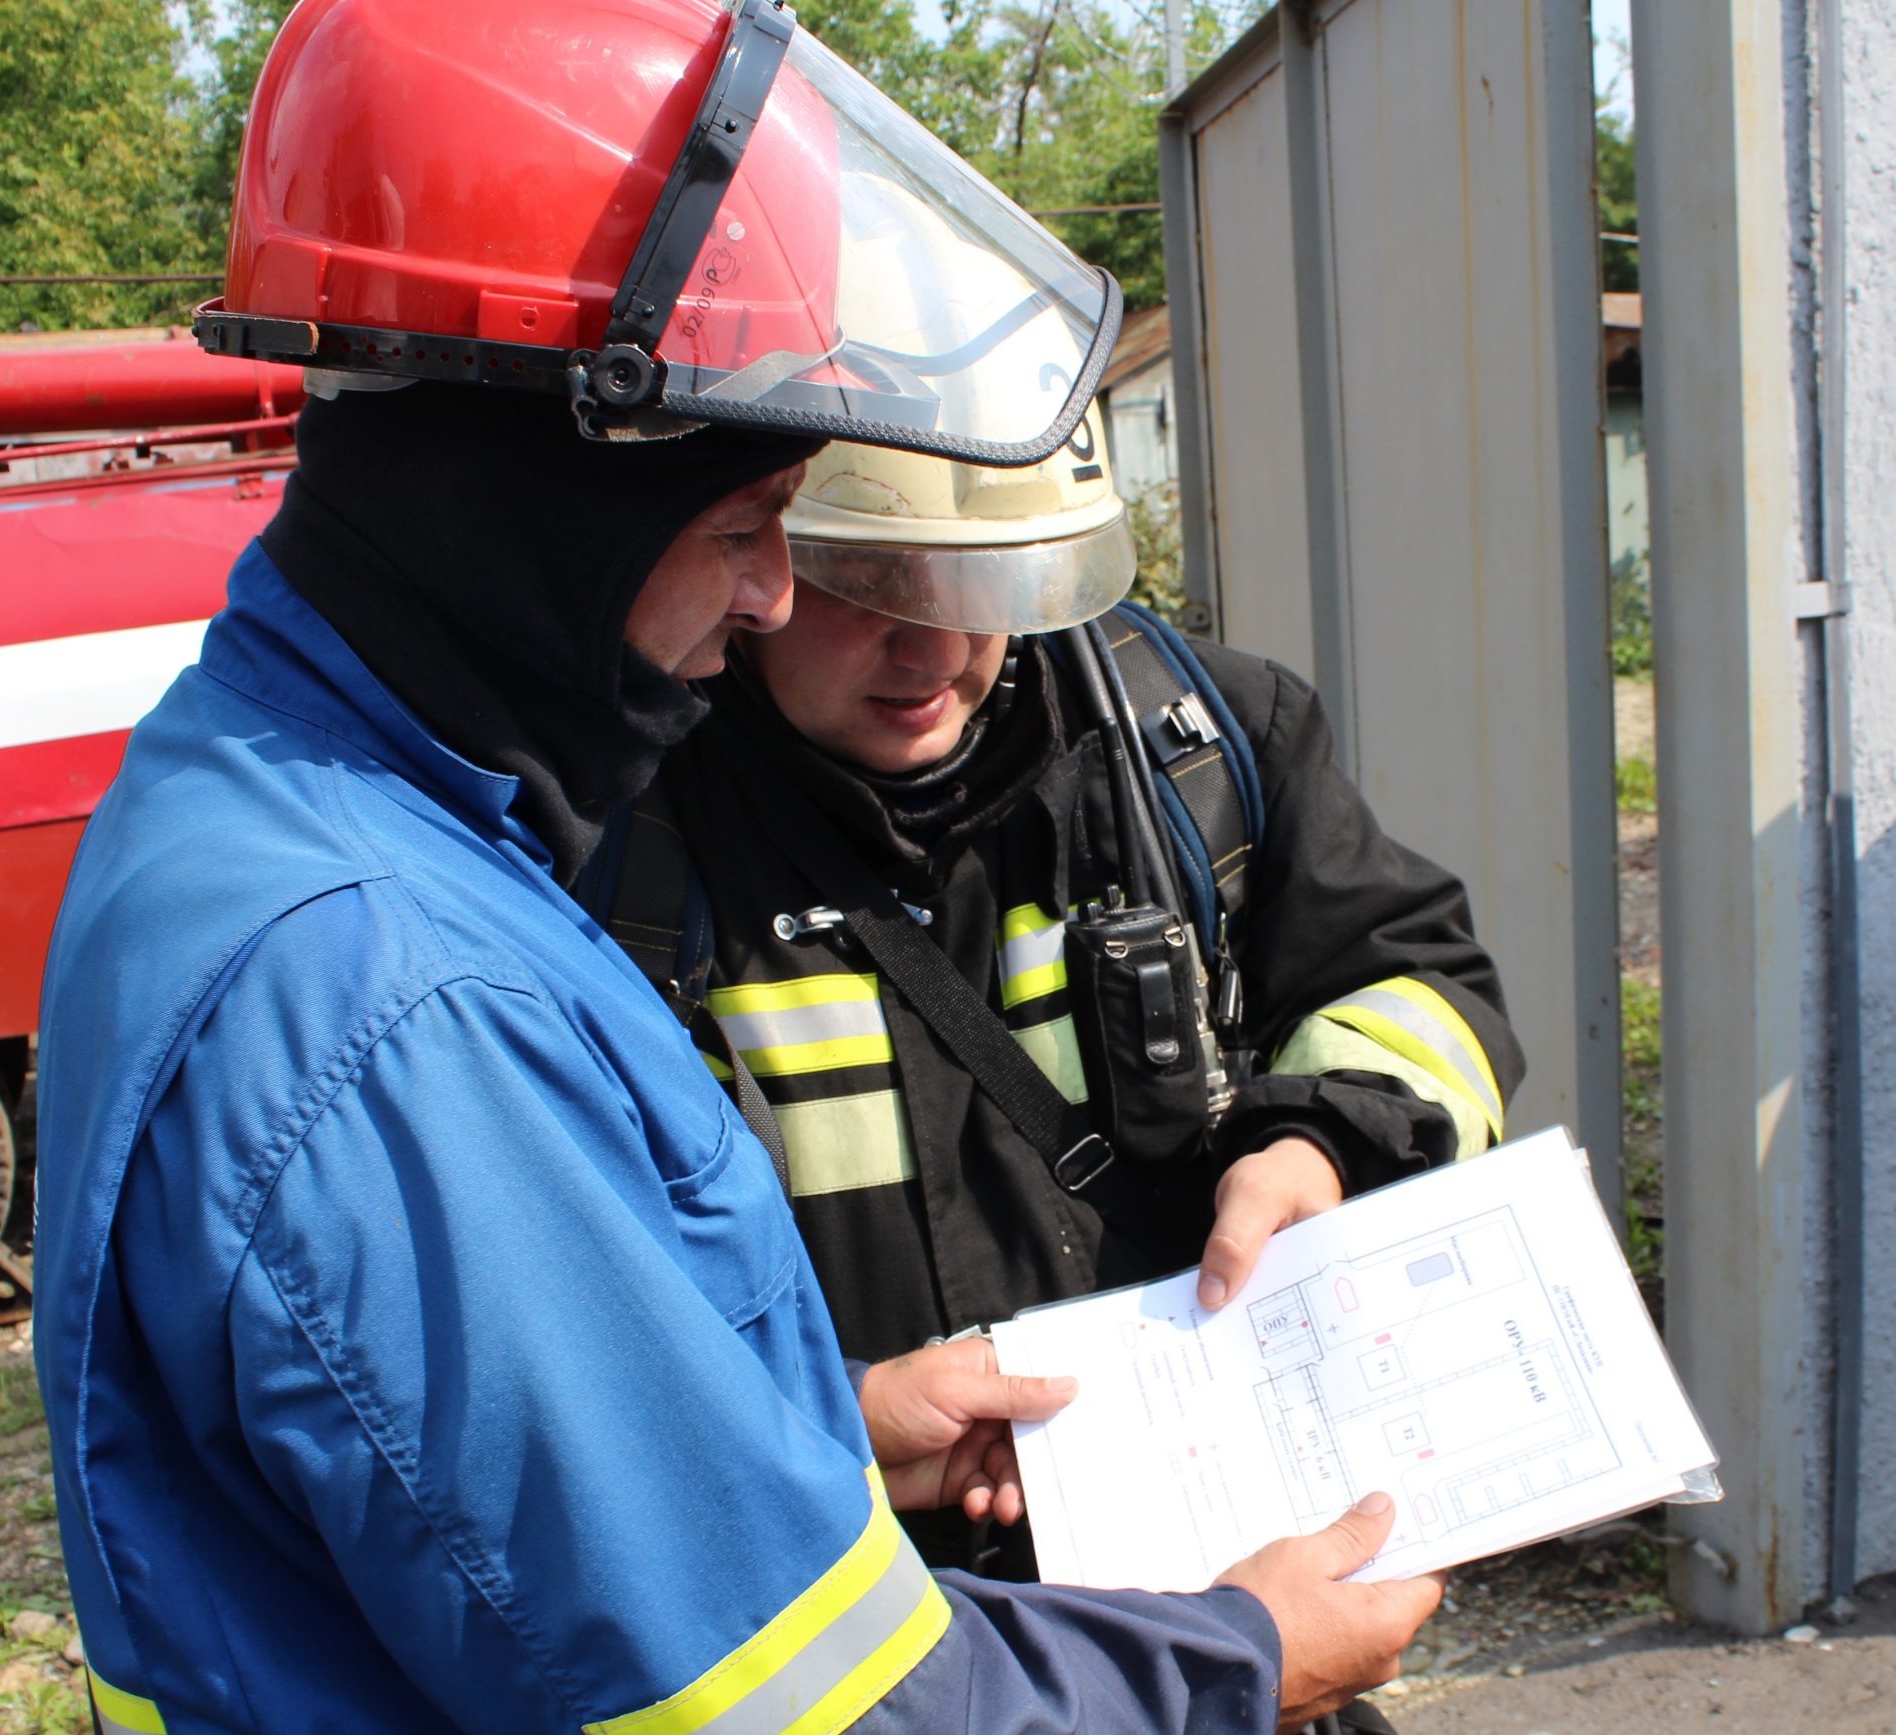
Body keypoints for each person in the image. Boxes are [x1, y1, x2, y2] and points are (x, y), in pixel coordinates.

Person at [30, 1, 1443, 1730]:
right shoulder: (399, 1000)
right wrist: (1242, 1658)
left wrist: (822, 1429)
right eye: (744, 530)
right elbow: (786, 1707)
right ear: (556, 501)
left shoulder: (278, 806)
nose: (780, 595)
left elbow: (490, 1490)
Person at [595, 425, 1525, 1589]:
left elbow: (1411, 983)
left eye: (979, 576)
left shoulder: (1194, 742)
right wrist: (841, 1418)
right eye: (868, 582)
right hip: (858, 1613)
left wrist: (1319, 1138)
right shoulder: (614, 847)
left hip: (1208, 1565)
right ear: (761, 559)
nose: (932, 644)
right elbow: (570, 1335)